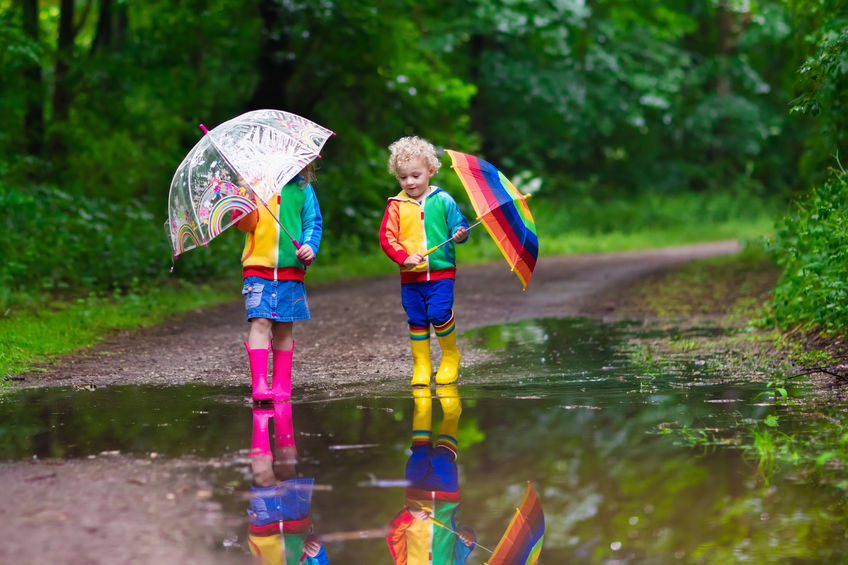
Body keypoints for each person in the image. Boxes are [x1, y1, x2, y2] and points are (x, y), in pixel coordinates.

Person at [379, 136, 470, 387]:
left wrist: (461, 233)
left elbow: (459, 226)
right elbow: (387, 239)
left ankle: (450, 356)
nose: (409, 182)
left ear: (430, 171)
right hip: (411, 275)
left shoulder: (443, 200)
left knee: (439, 312)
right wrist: (404, 258)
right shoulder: (396, 205)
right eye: (403, 177)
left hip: (441, 272)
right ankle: (422, 365)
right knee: (417, 318)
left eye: (415, 175)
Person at [236, 165, 322, 402]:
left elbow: (312, 223)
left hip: (290, 270)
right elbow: (245, 225)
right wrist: (245, 195)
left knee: (284, 326)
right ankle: (260, 384)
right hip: (257, 269)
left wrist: (309, 247)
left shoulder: (303, 188)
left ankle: (282, 384)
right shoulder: (254, 184)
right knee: (261, 321)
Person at [386, 385, 476, 563]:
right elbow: (465, 542)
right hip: (447, 497)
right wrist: (467, 538)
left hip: (415, 493)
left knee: (420, 452)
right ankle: (452, 411)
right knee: (442, 457)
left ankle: (422, 400)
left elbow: (392, 534)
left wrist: (410, 514)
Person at [247, 402, 329, 564]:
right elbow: (321, 560)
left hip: (264, 536)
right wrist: (317, 552)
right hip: (297, 525)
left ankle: (260, 419)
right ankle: (282, 408)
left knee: (263, 480)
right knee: (287, 471)